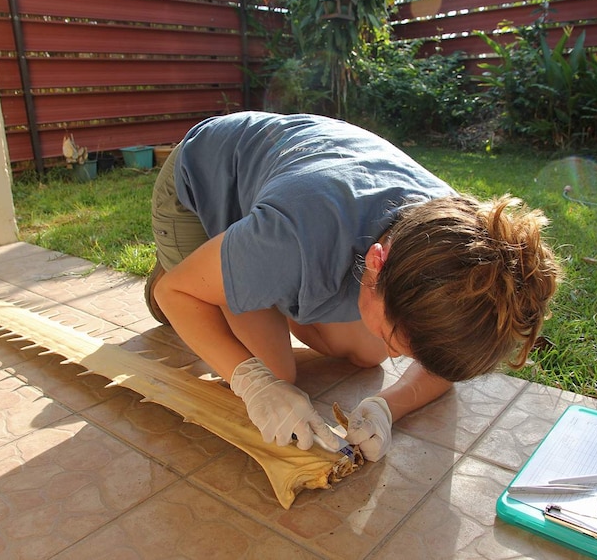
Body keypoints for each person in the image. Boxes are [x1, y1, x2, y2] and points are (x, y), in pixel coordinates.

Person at [146, 111, 560, 462]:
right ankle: (202, 269)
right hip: (200, 184)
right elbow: (176, 295)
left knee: (368, 351)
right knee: (274, 370)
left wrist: (385, 407)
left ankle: (247, 276)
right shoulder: (291, 237)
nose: (397, 355)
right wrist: (256, 384)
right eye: (399, 341)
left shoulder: (459, 246)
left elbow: (439, 357)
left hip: (296, 214)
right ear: (376, 265)